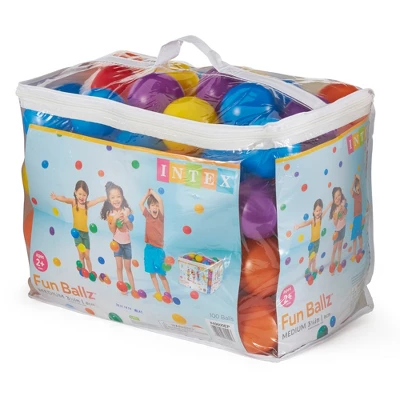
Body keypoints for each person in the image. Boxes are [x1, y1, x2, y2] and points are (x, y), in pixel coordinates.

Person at [51, 180, 105, 272]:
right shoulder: (74, 202)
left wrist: (107, 197)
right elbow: (64, 199)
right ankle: (83, 271)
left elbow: (97, 200)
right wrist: (56, 197)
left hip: (85, 233)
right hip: (77, 233)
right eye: (80, 194)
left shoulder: (87, 205)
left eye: (84, 195)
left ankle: (91, 273)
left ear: (87, 195)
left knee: (87, 256)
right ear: (75, 192)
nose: (81, 197)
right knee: (81, 254)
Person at [100, 182, 136, 294]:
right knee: (119, 267)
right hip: (116, 244)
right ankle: (122, 289)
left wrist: (126, 220)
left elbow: (131, 228)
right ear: (109, 200)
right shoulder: (110, 214)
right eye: (113, 197)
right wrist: (115, 219)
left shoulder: (126, 210)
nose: (116, 200)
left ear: (122, 197)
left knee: (128, 268)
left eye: (118, 196)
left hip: (127, 243)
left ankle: (134, 290)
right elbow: (112, 230)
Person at [139, 188, 171, 297]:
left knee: (161, 275)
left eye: (157, 206)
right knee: (152, 273)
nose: (155, 207)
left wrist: (152, 192)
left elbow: (160, 200)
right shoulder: (147, 215)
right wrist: (146, 194)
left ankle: (168, 294)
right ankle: (158, 292)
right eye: (153, 205)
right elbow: (140, 204)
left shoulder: (160, 217)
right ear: (149, 207)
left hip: (158, 250)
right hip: (148, 249)